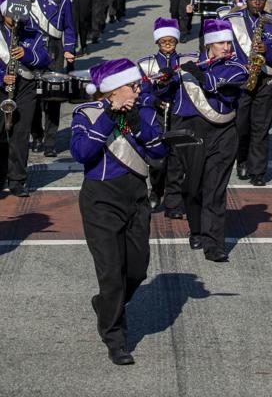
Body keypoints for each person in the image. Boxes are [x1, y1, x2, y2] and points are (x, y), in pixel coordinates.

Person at [70, 58, 169, 365]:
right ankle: (116, 338)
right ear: (113, 90)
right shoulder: (86, 113)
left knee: (137, 269)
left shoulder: (144, 110)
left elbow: (160, 153)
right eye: (132, 85)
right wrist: (110, 115)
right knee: (111, 272)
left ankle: (105, 304)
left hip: (136, 198)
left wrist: (139, 124)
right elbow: (81, 153)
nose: (138, 89)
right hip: (101, 200)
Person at [168, 19, 248, 262]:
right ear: (210, 45)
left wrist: (198, 73)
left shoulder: (237, 67)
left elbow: (218, 86)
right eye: (222, 42)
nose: (227, 47)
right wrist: (163, 81)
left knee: (214, 189)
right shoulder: (187, 62)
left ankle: (214, 244)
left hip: (222, 132)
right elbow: (165, 94)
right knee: (193, 187)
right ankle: (197, 229)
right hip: (191, 131)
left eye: (228, 42)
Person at [227, 0, 272, 184]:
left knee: (261, 127)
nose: (257, 3)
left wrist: (269, 50)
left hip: (267, 81)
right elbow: (224, 49)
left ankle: (258, 172)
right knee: (241, 125)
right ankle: (242, 159)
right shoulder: (231, 20)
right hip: (242, 80)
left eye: (261, 0)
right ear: (246, 0)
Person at [26, 0, 76, 156]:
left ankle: (50, 142)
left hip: (55, 50)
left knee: (53, 96)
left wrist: (69, 49)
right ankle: (36, 135)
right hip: (32, 50)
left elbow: (69, 26)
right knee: (33, 96)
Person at [0, 0, 49, 196]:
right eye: (12, 15)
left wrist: (26, 54)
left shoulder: (31, 31)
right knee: (1, 132)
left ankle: (17, 180)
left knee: (20, 134)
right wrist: (2, 76)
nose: (16, 19)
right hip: (2, 88)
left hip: (25, 88)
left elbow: (44, 59)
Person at [138, 17, 187, 217]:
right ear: (157, 42)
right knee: (157, 160)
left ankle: (173, 203)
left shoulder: (185, 61)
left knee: (177, 160)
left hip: (178, 114)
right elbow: (141, 92)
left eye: (171, 41)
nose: (168, 45)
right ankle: (156, 190)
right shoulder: (146, 64)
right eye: (164, 41)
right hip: (156, 116)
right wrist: (153, 101)